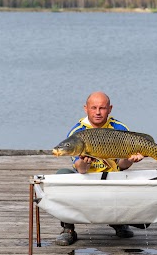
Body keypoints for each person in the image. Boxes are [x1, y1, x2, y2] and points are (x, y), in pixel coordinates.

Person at [55, 91, 144, 246]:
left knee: (133, 178)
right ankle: (68, 228)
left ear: (109, 109)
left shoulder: (119, 128)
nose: (97, 112)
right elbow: (80, 169)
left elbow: (122, 165)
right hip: (86, 180)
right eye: (93, 107)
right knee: (61, 175)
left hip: (112, 179)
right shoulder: (77, 133)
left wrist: (131, 160)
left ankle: (119, 222)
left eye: (102, 108)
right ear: (86, 108)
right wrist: (85, 162)